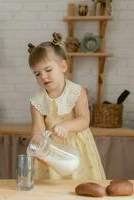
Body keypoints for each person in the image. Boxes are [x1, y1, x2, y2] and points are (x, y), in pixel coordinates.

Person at [28, 32, 105, 180]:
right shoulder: (36, 101)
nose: (43, 76)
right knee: (53, 187)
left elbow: (84, 120)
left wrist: (66, 126)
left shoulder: (77, 92)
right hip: (52, 151)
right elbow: (38, 128)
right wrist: (37, 142)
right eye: (37, 74)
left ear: (63, 66)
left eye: (48, 70)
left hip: (78, 149)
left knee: (81, 183)